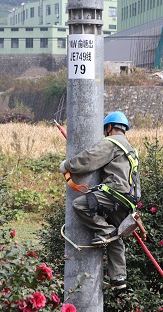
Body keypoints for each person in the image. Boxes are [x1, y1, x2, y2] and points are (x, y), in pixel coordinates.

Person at [59, 110, 141, 290]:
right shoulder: (130, 149)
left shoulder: (112, 143)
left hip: (115, 193)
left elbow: (89, 159)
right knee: (117, 235)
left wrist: (67, 166)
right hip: (130, 200)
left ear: (109, 127)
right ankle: (119, 279)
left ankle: (104, 230)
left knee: (80, 205)